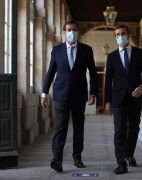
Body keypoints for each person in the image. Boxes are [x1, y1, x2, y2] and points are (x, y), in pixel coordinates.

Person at [41, 20, 98, 172]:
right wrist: (44, 93)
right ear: (64, 32)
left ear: (77, 32)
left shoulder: (86, 50)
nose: (71, 32)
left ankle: (77, 158)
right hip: (61, 95)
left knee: (79, 128)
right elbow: (50, 73)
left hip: (79, 95)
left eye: (74, 30)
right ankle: (57, 159)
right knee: (61, 127)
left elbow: (93, 72)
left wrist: (93, 92)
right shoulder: (57, 50)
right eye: (68, 30)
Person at [105, 24, 142, 174]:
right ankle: (121, 162)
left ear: (128, 35)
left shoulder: (139, 53)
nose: (120, 36)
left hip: (135, 97)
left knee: (134, 128)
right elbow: (108, 80)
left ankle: (129, 154)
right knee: (119, 130)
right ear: (115, 37)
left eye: (123, 33)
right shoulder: (111, 56)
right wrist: (107, 101)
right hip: (118, 99)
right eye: (117, 34)